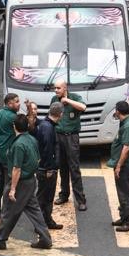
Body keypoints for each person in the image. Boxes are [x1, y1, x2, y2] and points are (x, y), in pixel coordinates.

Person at [0, 115, 52, 250]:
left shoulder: (18, 144)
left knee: (7, 212)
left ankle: (0, 240)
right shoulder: (32, 139)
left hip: (20, 183)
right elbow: (38, 159)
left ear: (14, 127)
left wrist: (13, 189)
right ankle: (45, 238)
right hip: (31, 180)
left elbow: (16, 169)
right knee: (34, 210)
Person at [52, 80, 88, 211]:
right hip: (58, 136)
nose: (56, 91)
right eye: (55, 88)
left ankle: (80, 200)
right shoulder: (54, 99)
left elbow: (83, 107)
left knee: (74, 168)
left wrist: (68, 101)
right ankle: (64, 194)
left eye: (58, 88)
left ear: (65, 88)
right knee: (62, 168)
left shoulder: (75, 97)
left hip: (71, 137)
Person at [108, 101, 129, 233]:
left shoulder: (128, 126)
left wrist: (119, 166)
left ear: (118, 111)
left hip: (125, 165)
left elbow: (126, 148)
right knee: (121, 192)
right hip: (122, 163)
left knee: (124, 193)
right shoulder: (126, 122)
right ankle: (124, 216)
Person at [33, 102, 63, 230]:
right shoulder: (48, 128)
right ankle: (41, 223)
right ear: (60, 114)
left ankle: (46, 220)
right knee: (45, 197)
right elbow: (47, 149)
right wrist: (49, 168)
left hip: (44, 167)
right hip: (46, 169)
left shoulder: (45, 124)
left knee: (44, 196)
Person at [0, 93, 20, 218]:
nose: (19, 104)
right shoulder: (13, 117)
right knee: (8, 183)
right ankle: (6, 211)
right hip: (8, 154)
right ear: (10, 103)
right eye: (17, 102)